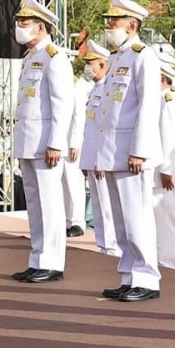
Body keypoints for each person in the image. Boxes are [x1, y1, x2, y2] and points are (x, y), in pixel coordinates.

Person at [97, 0, 162, 302]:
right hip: (113, 150)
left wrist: (140, 149)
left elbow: (149, 106)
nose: (110, 25)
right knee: (122, 221)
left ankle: (146, 278)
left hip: (132, 152)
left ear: (132, 24)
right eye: (109, 20)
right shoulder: (116, 58)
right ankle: (128, 274)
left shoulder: (143, 56)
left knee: (137, 218)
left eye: (116, 20)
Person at [10, 0, 74, 283]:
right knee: (34, 203)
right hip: (28, 140)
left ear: (41, 27)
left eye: (25, 22)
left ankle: (52, 261)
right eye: (20, 22)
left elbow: (62, 103)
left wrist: (56, 143)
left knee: (50, 203)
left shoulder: (54, 57)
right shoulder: (31, 57)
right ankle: (37, 258)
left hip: (46, 142)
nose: (20, 27)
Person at [78, 40, 120, 257]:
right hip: (92, 157)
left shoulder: (108, 90)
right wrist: (86, 160)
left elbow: (108, 128)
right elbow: (89, 128)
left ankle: (112, 247)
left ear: (103, 65)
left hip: (102, 158)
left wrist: (102, 158)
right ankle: (103, 245)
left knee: (106, 206)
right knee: (98, 204)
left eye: (91, 62)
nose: (88, 67)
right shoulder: (95, 90)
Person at [153, 51, 175, 269]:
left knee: (166, 216)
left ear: (163, 79)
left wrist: (166, 168)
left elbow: (170, 135)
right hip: (157, 167)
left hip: (165, 168)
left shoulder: (168, 100)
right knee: (158, 216)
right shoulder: (159, 100)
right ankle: (159, 258)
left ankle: (167, 261)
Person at [63, 73, 91, 237]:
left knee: (74, 183)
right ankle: (67, 220)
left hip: (71, 143)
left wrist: (74, 142)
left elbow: (78, 117)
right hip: (59, 143)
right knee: (63, 185)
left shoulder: (76, 88)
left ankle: (77, 222)